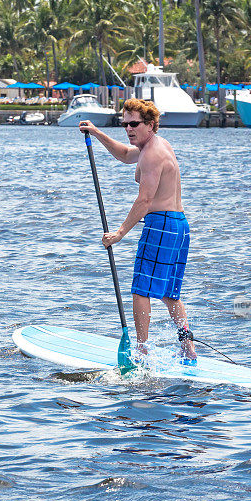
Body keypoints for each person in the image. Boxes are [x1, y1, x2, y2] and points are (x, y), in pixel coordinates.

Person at [79, 98, 197, 364]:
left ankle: (142, 351)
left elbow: (144, 200)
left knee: (141, 290)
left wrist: (119, 233)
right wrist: (97, 133)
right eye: (125, 124)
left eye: (134, 124)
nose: (128, 129)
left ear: (151, 125)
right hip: (178, 226)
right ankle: (188, 348)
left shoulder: (153, 154)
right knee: (169, 293)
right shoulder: (152, 146)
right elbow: (123, 155)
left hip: (162, 225)